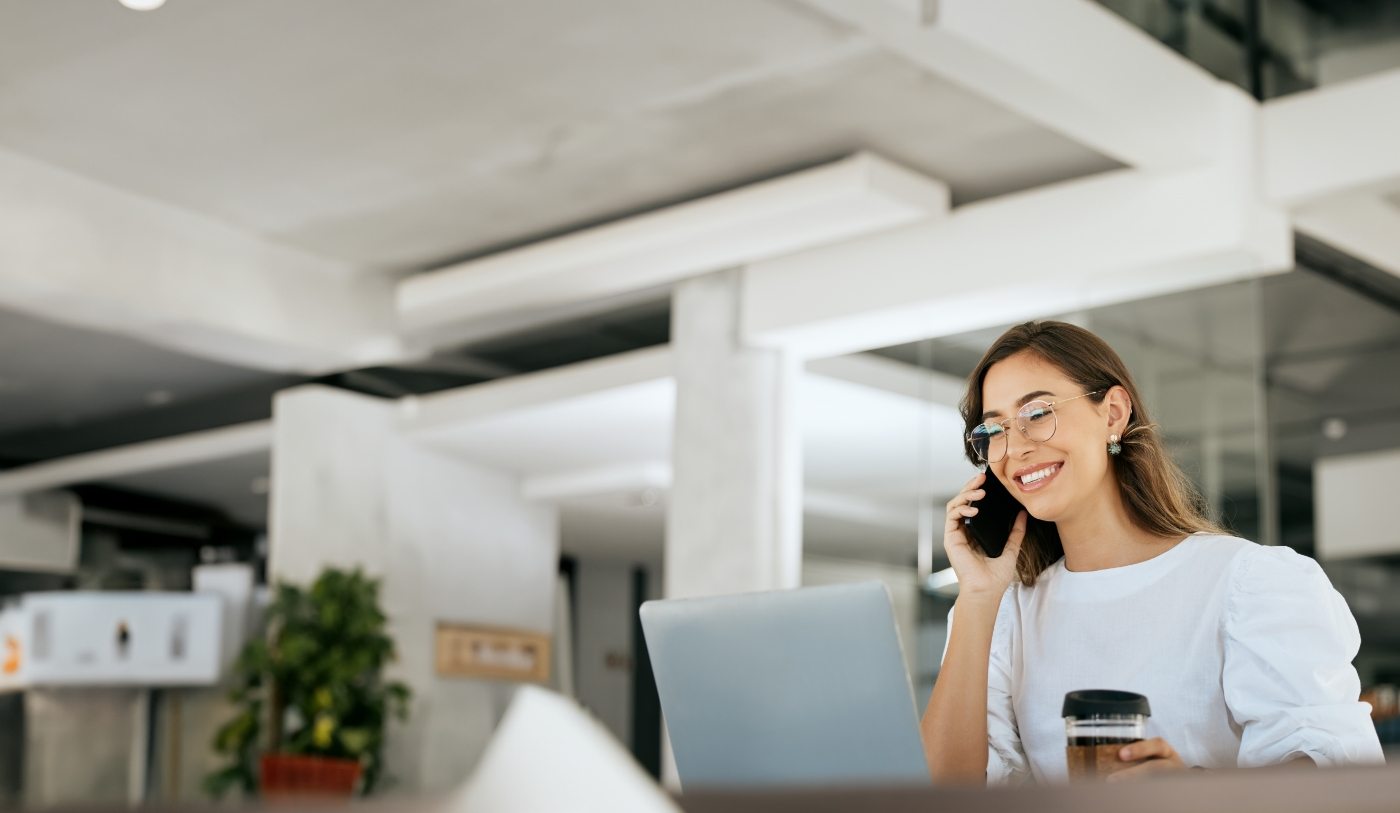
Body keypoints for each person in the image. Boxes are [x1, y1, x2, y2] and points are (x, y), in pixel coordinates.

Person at [921, 320, 1384, 784]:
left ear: (1113, 413)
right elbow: (944, 792)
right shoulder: (1004, 613)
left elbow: (1338, 779)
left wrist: (1194, 792)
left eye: (1037, 414)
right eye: (993, 429)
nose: (1015, 447)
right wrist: (978, 598)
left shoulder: (1248, 583)